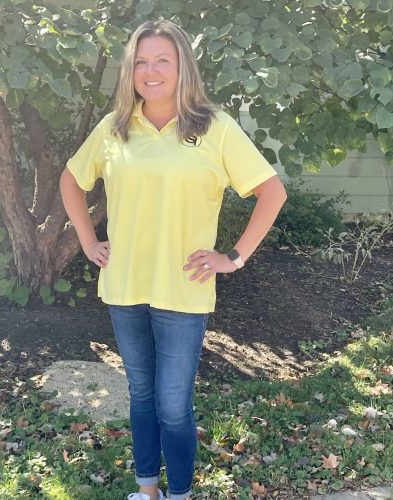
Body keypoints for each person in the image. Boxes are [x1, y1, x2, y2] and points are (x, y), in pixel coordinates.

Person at [60, 19, 287, 500]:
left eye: (162, 59)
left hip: (184, 289)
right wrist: (87, 241)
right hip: (124, 286)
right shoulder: (115, 127)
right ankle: (148, 491)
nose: (151, 70)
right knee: (141, 397)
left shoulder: (215, 128)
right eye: (141, 62)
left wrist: (234, 256)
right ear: (130, 70)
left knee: (173, 406)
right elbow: (70, 181)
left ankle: (180, 493)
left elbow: (271, 191)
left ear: (183, 64)